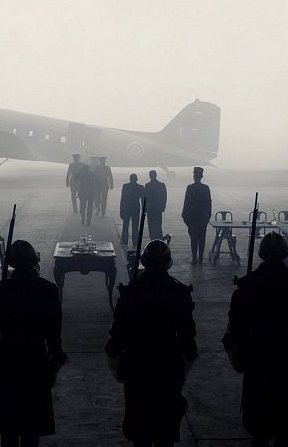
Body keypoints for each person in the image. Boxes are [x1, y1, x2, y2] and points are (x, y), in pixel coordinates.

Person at [222, 232, 288, 447]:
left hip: (258, 359)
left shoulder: (248, 285)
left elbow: (235, 329)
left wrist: (239, 355)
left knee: (259, 424)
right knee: (286, 423)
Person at [0, 240, 67, 447]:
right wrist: (56, 360)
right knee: (31, 428)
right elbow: (54, 333)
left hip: (6, 358)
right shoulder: (49, 290)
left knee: (8, 428)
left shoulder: (0, 291)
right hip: (35, 357)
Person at [105, 239, 197, 447]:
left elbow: (118, 335)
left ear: (144, 262)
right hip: (168, 364)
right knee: (166, 431)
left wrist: (115, 355)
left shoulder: (131, 293)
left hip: (138, 364)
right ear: (168, 263)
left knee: (141, 430)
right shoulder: (179, 292)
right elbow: (188, 337)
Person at [182, 167, 212, 265]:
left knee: (194, 239)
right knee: (202, 239)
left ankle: (194, 258)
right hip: (202, 218)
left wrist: (185, 217)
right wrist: (207, 217)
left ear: (194, 176)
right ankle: (200, 259)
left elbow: (186, 203)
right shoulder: (205, 188)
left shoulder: (190, 188)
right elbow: (208, 204)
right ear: (201, 176)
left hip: (192, 218)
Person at [120, 174, 144, 246]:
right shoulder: (140, 187)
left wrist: (121, 209)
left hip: (127, 208)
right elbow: (143, 200)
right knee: (135, 226)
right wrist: (143, 209)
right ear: (136, 179)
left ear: (129, 179)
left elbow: (123, 199)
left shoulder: (125, 186)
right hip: (135, 208)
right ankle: (135, 242)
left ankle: (125, 241)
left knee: (125, 225)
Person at [143, 170, 167, 241]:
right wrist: (163, 206)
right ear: (156, 175)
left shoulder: (147, 185)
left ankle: (153, 239)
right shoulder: (161, 185)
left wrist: (144, 208)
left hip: (150, 208)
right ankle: (159, 238)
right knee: (158, 225)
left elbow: (145, 197)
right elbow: (164, 197)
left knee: (151, 225)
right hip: (158, 208)